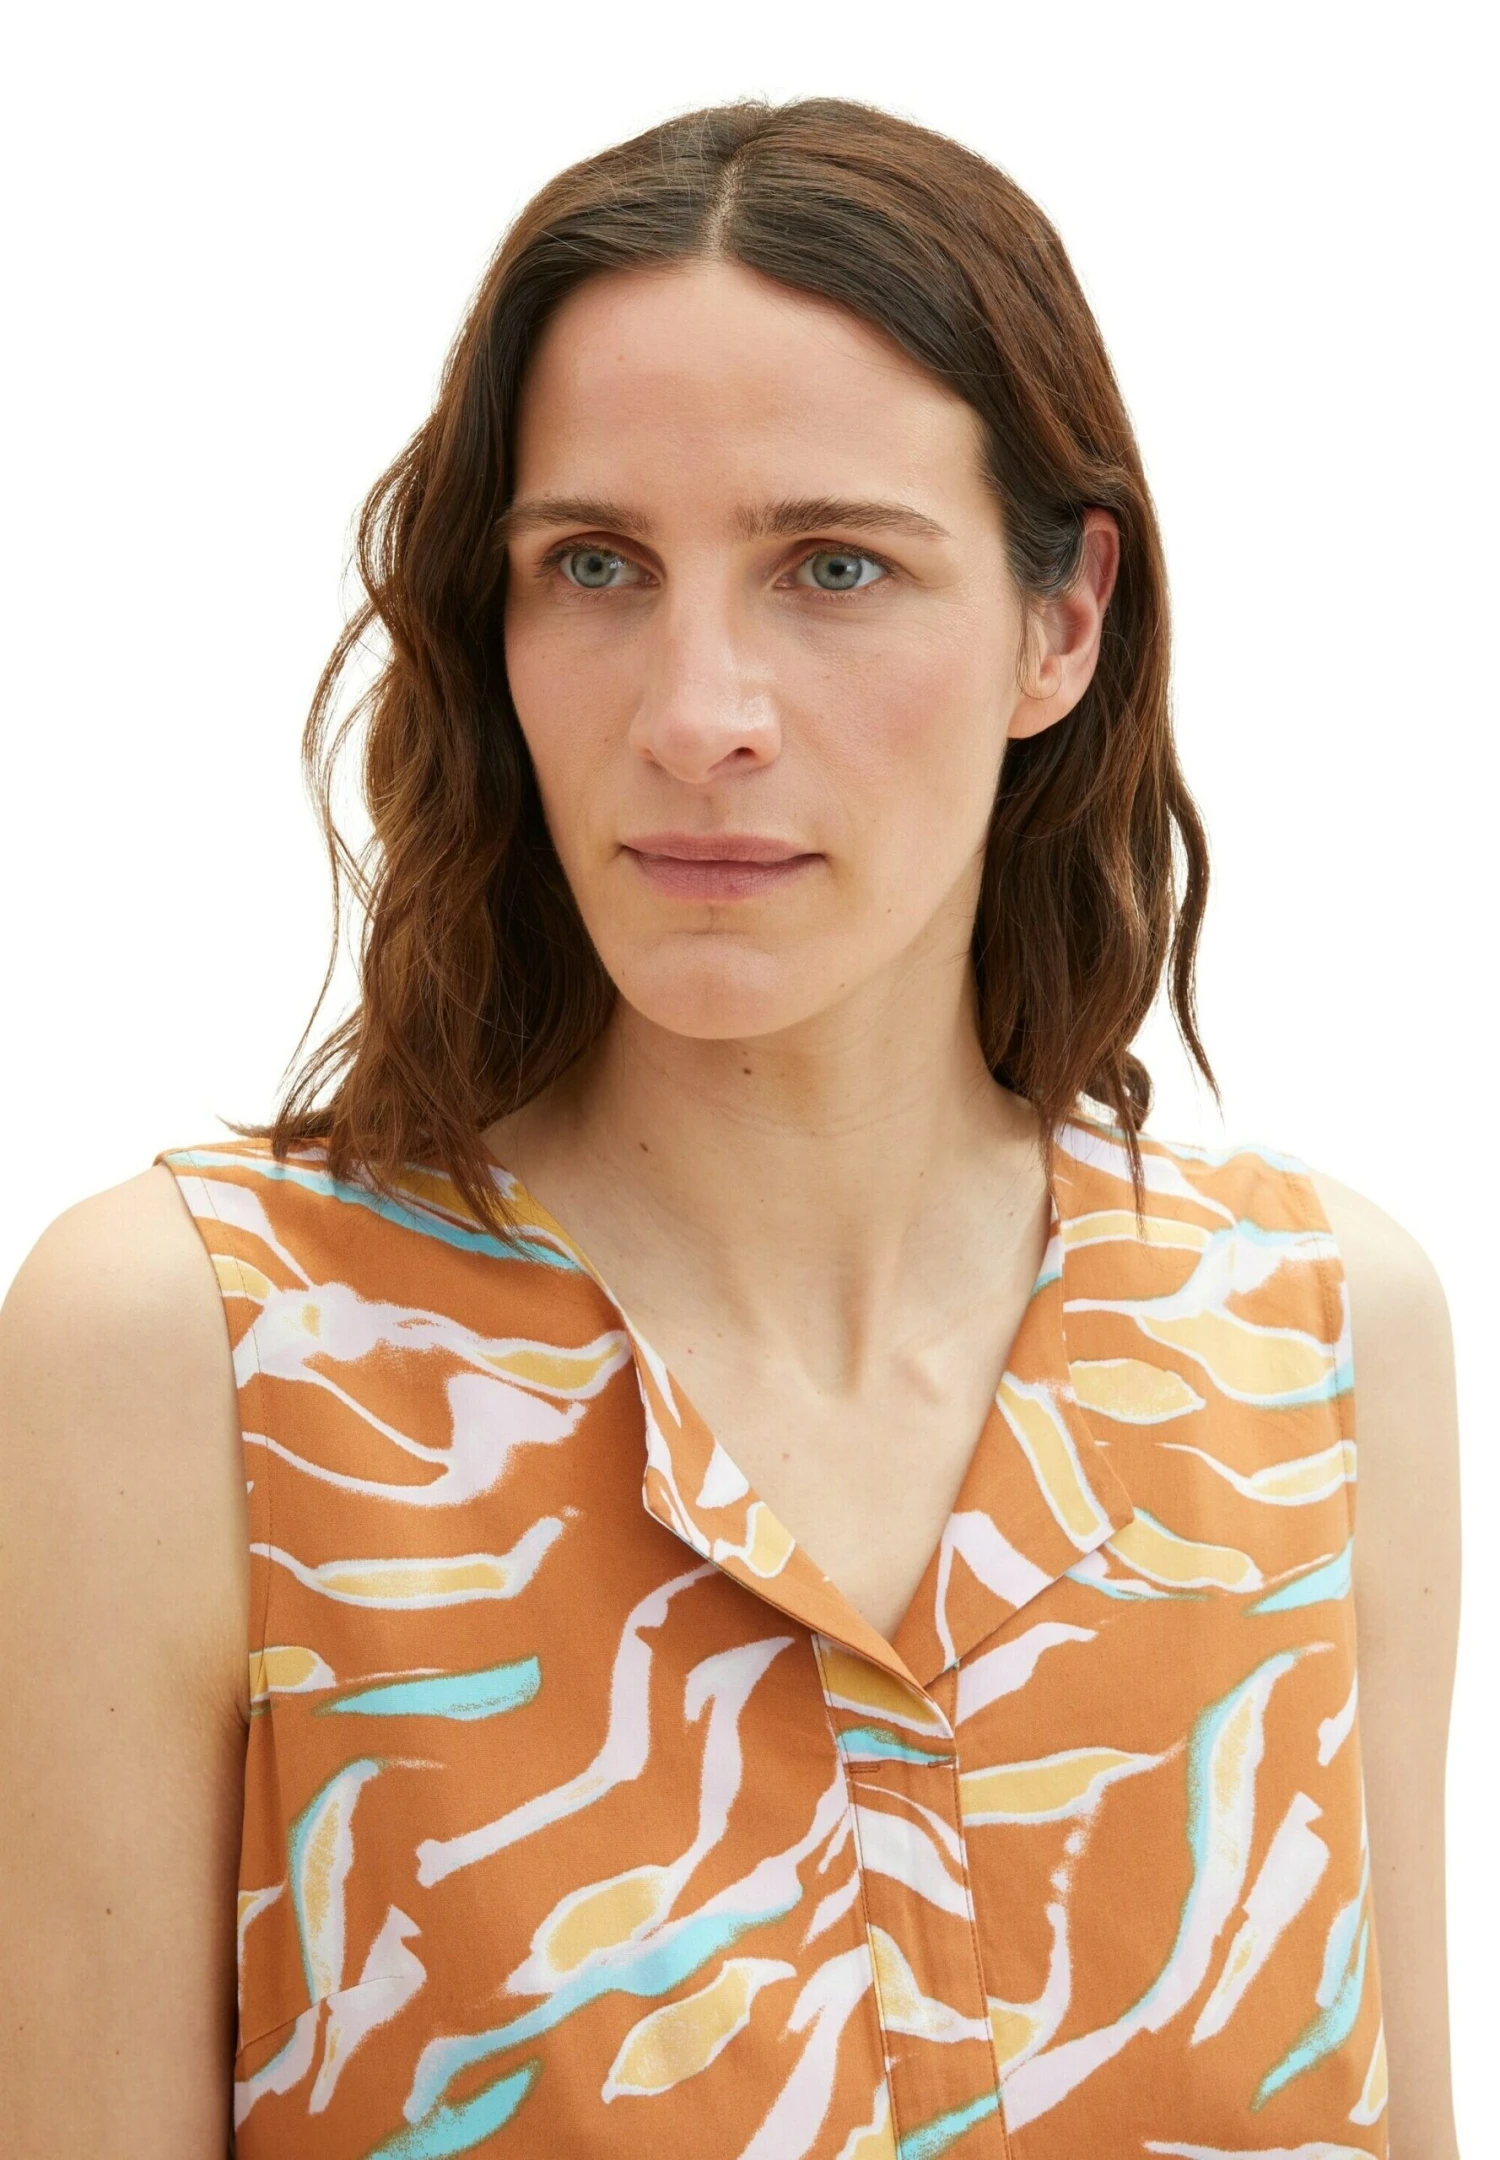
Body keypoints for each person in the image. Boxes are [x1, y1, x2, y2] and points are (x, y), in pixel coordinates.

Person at [0, 96, 1461, 2160]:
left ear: (1062, 622)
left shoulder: (1313, 1346)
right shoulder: (195, 1361)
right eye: (594, 566)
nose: (697, 715)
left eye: (833, 566)